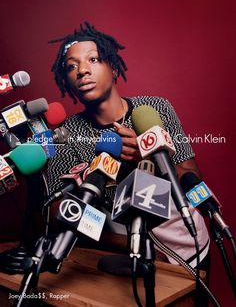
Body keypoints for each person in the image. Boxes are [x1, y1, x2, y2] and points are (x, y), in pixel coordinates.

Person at [47, 22, 210, 271]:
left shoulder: (156, 109)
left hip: (190, 243)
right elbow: (63, 212)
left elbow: (192, 178)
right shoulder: (65, 135)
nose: (82, 70)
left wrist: (149, 157)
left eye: (93, 59)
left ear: (112, 67)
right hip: (130, 252)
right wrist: (133, 245)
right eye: (72, 66)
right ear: (67, 81)